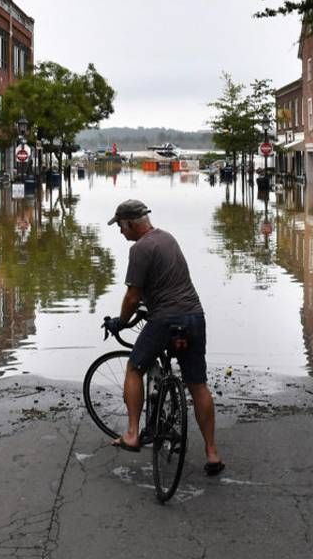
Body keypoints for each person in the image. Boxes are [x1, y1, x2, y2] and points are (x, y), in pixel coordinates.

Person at [107, 199, 224, 476]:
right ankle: (212, 453)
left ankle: (133, 433)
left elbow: (133, 296)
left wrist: (121, 323)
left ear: (132, 224)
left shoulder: (140, 249)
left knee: (135, 368)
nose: (120, 232)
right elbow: (167, 282)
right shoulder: (167, 238)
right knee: (198, 385)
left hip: (165, 319)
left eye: (121, 227)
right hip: (194, 316)